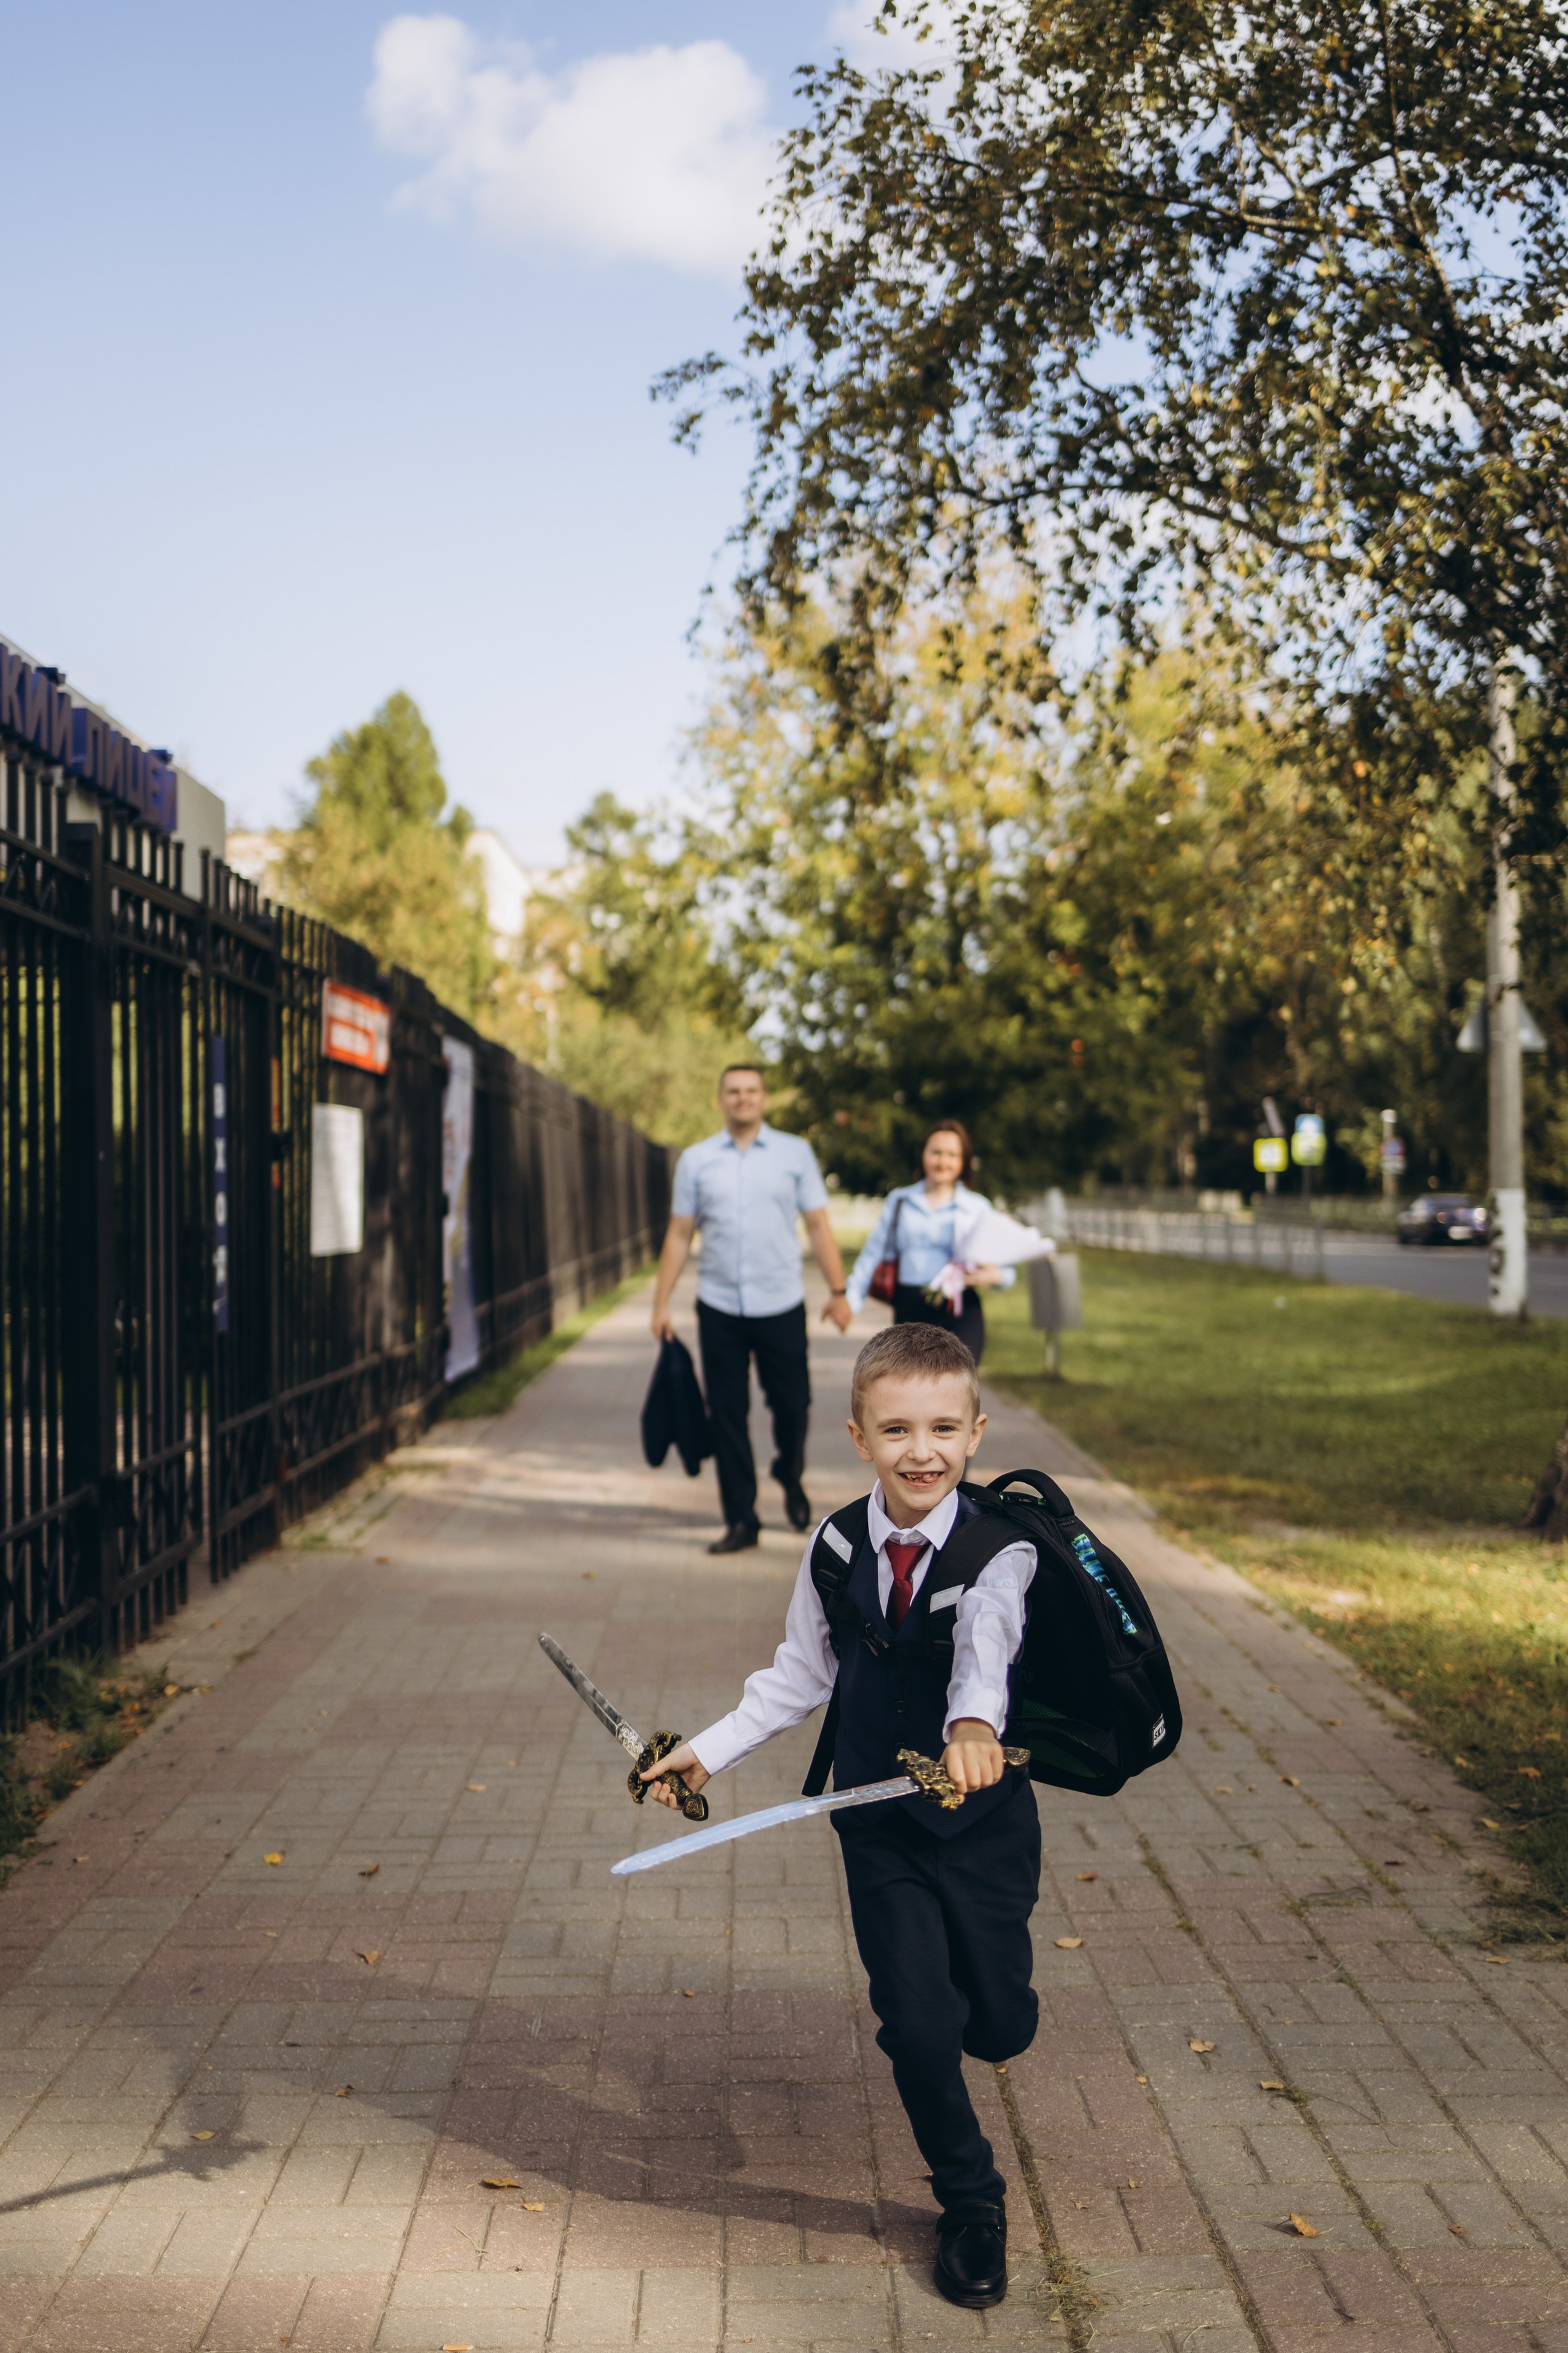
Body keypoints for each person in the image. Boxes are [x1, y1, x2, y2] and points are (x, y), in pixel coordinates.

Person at [642, 1321, 1039, 2312]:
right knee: (916, 2020)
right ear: (859, 1436)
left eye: (945, 1427)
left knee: (996, 2020)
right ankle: (971, 2199)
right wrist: (706, 1749)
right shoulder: (833, 1544)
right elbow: (799, 1676)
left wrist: (976, 1723)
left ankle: (998, 2016)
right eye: (897, 1428)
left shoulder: (1003, 1548)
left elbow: (987, 1640)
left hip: (983, 1824)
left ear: (978, 1431)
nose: (923, 1450)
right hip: (877, 1822)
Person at [652, 1065, 853, 1555]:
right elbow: (680, 1233)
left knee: (793, 1405)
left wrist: (839, 1289)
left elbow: (819, 1224)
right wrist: (661, 1302)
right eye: (733, 1091)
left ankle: (789, 1470)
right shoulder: (698, 1160)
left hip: (780, 1302)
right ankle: (742, 1519)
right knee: (726, 1413)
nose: (743, 1098)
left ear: (764, 1098)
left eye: (751, 1091)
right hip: (719, 1305)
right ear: (720, 1099)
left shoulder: (794, 1153)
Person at [844, 1120, 1012, 1365]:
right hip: (910, 1311)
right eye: (936, 1153)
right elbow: (874, 1253)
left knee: (957, 1389)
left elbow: (1007, 1268)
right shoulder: (900, 1200)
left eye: (952, 1155)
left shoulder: (978, 1207)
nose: (943, 1161)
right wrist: (850, 1302)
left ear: (963, 1161)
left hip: (960, 1310)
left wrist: (996, 1276)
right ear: (923, 1155)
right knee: (915, 1389)